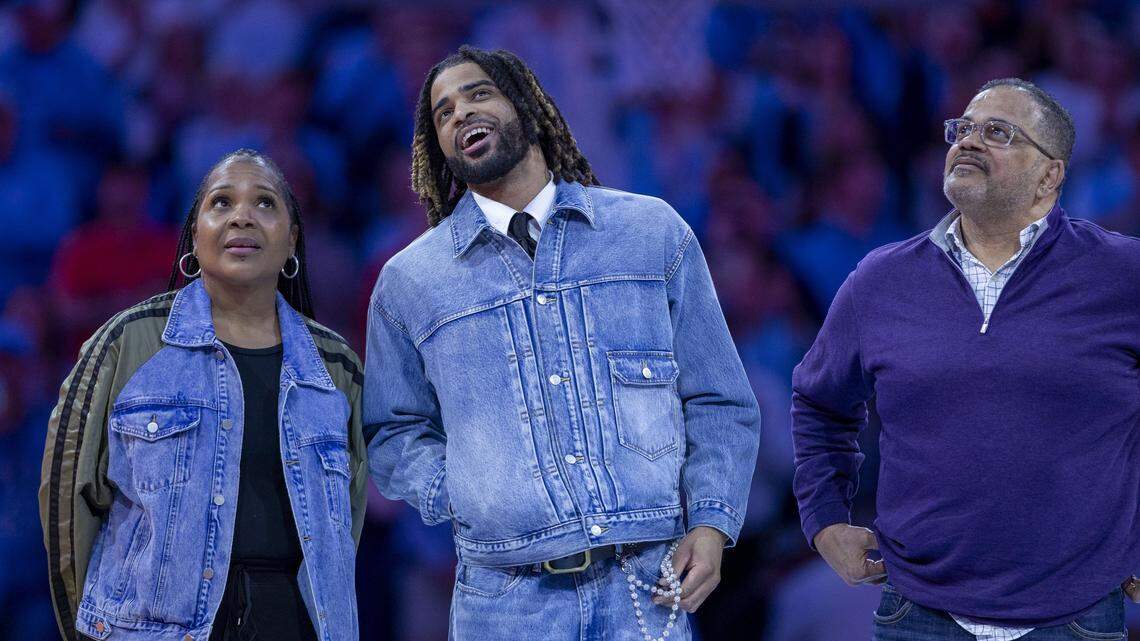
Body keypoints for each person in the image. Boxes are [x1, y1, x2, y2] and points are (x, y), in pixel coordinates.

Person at [365, 46, 761, 640]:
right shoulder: (411, 283)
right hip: (503, 602)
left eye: (478, 94)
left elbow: (719, 399)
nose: (460, 114)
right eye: (442, 113)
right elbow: (392, 433)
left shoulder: (650, 233)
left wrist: (710, 521)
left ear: (525, 105)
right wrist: (466, 487)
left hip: (644, 587)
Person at [791, 78, 1140, 640]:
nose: (969, 142)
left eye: (998, 133)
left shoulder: (1122, 274)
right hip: (917, 616)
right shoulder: (881, 279)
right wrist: (825, 519)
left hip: (1074, 617)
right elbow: (819, 401)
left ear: (1050, 175)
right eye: (963, 129)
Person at [39, 149, 367, 641]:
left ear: (292, 240)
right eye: (221, 203)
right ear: (195, 235)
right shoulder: (128, 343)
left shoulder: (336, 366)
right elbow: (68, 502)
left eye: (265, 203)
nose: (242, 216)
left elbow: (347, 522)